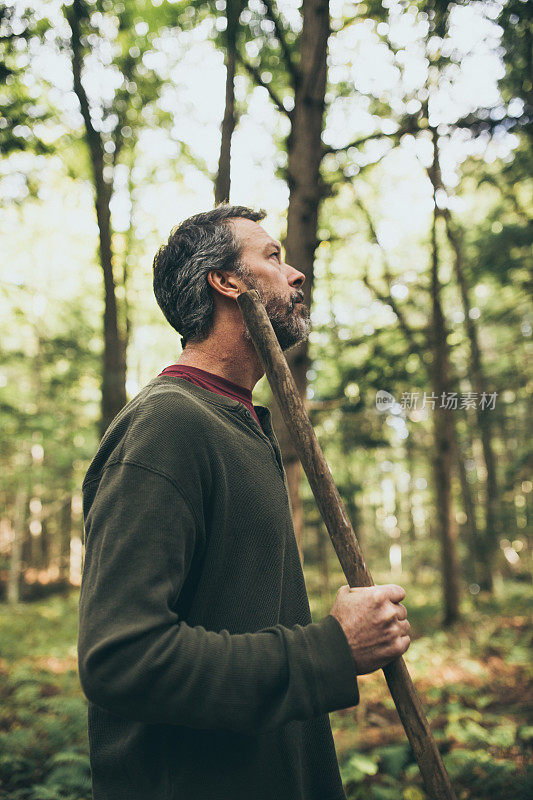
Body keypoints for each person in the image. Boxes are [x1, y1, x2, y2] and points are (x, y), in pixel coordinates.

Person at [78, 204, 411, 800]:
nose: (297, 273)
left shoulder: (237, 422)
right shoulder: (168, 425)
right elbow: (121, 659)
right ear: (227, 282)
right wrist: (330, 649)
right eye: (274, 257)